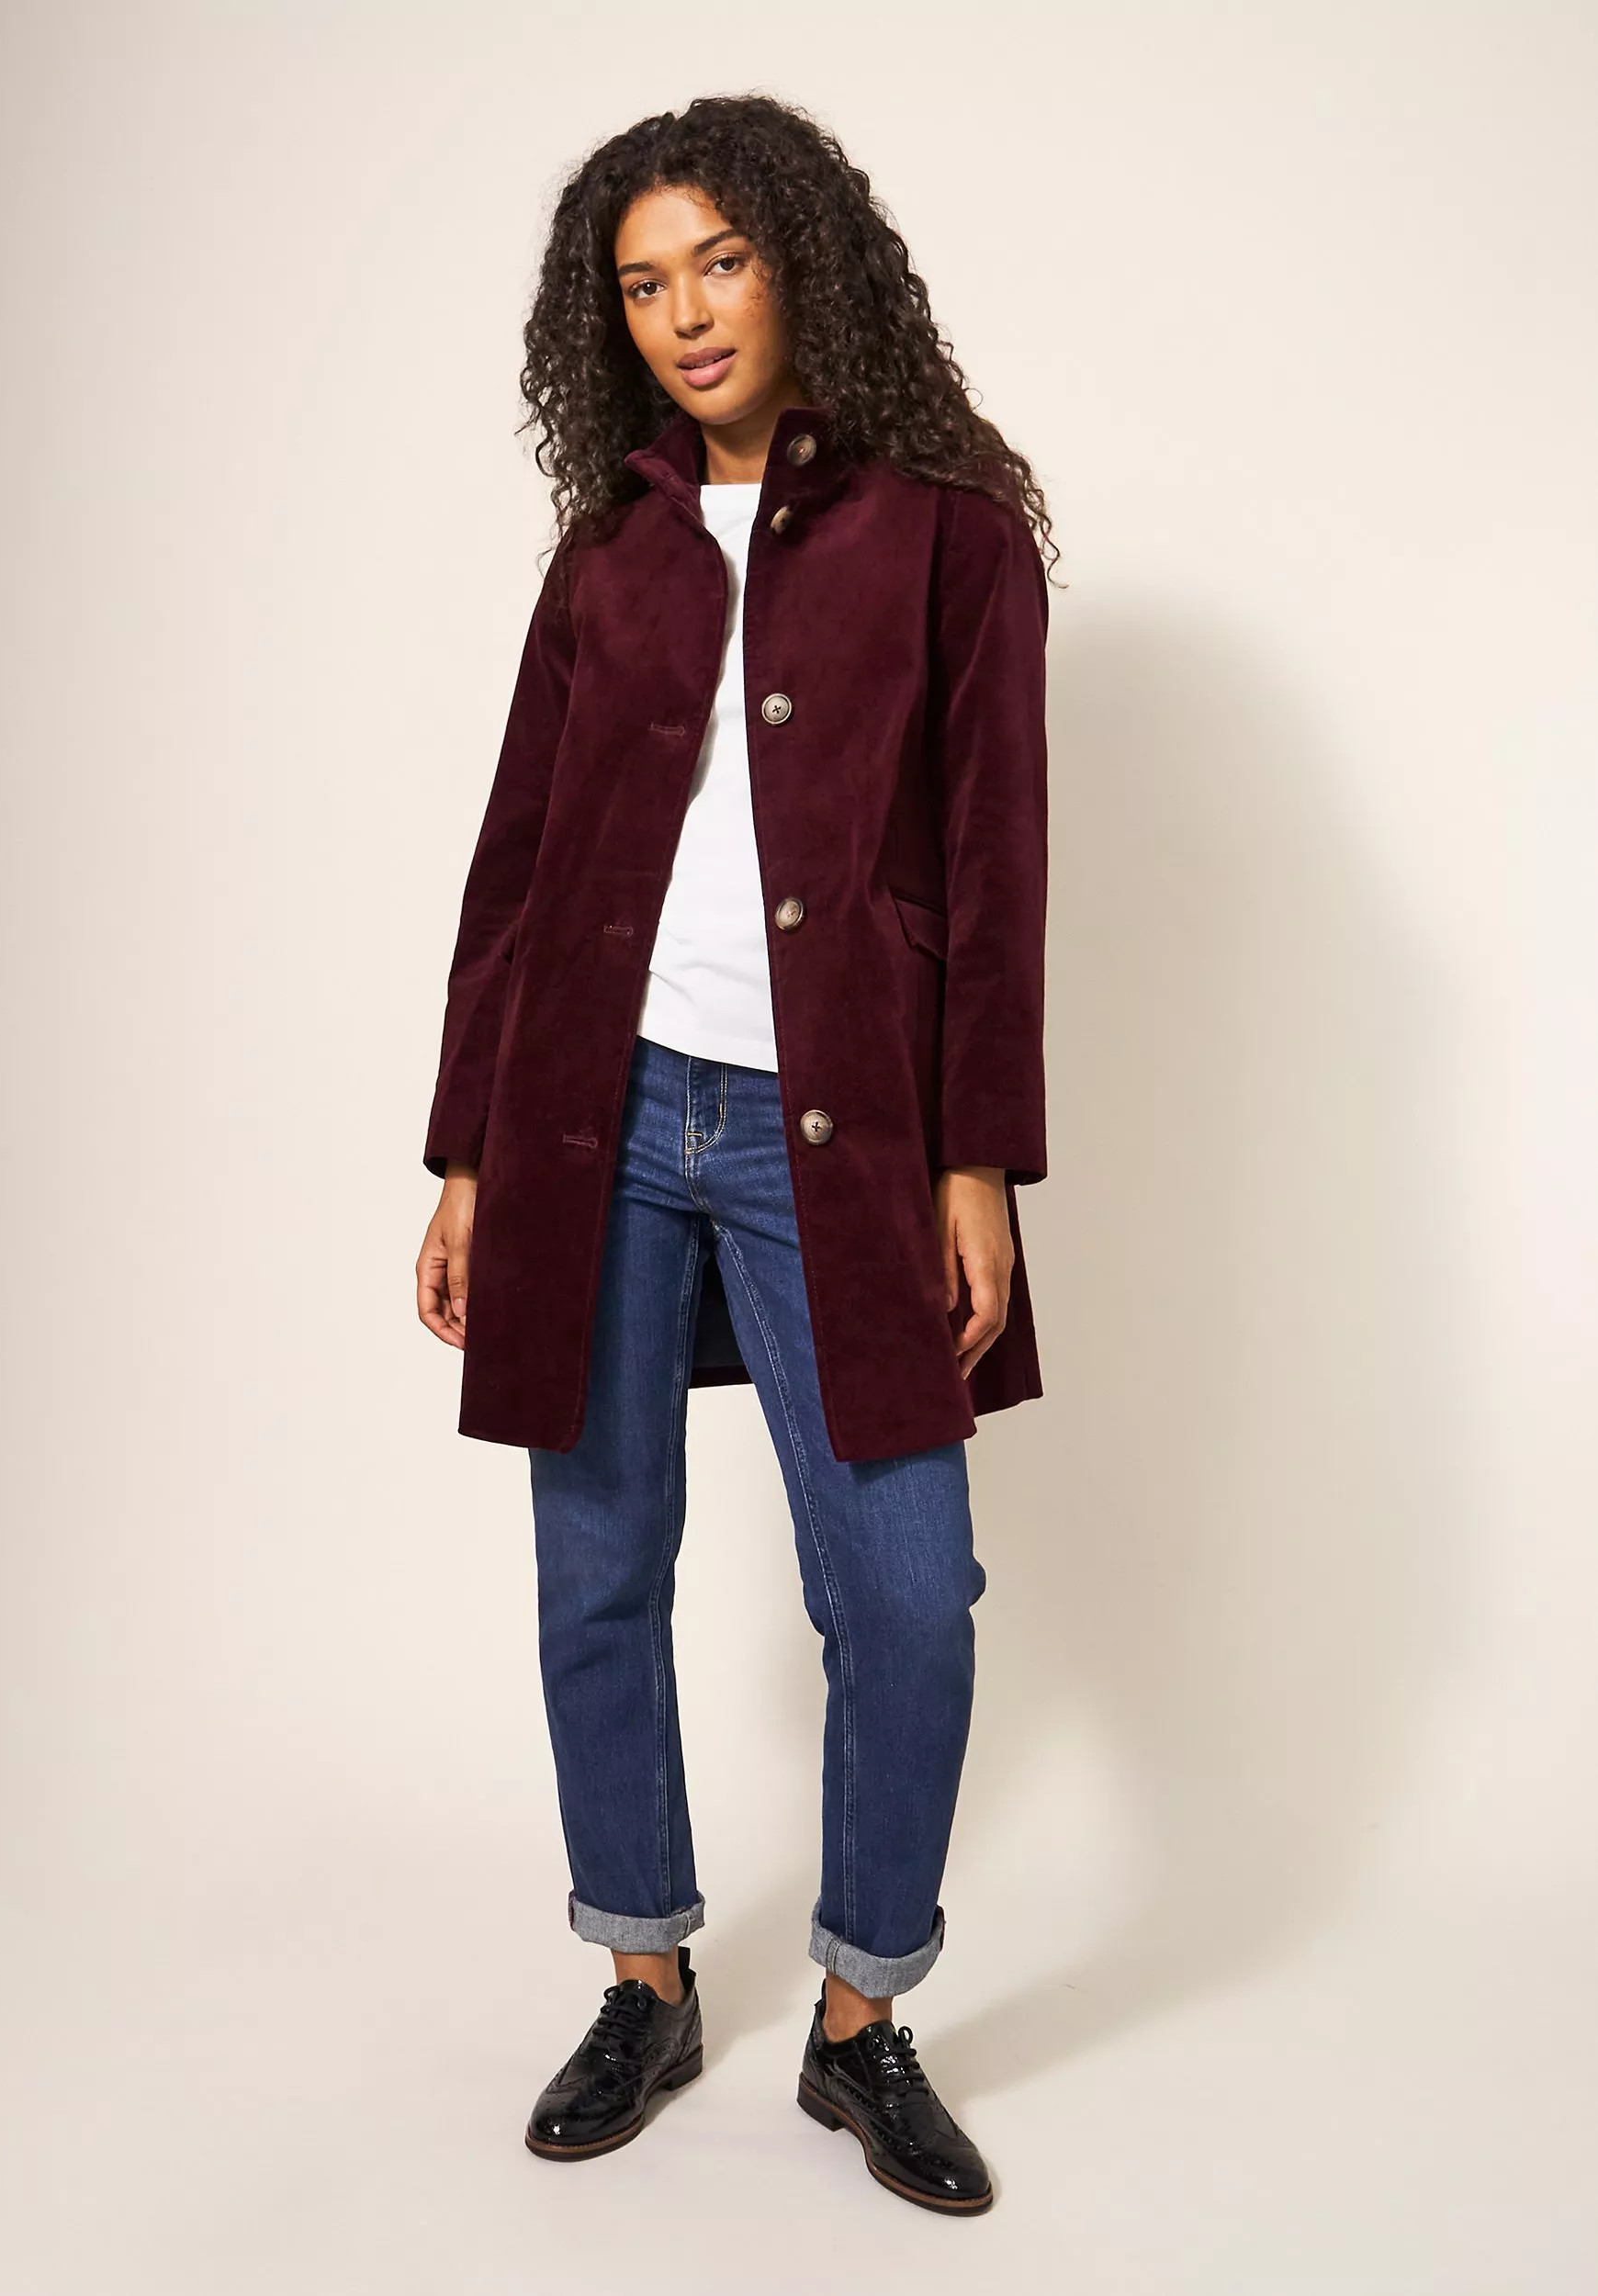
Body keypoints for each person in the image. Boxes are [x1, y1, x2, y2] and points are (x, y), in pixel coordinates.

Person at [415, 93, 1054, 2216]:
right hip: (589, 1115)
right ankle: (643, 1974)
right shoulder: (602, 555)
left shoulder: (948, 534)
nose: (685, 313)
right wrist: (466, 1154)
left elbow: (996, 865)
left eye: (719, 261)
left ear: (800, 264)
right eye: (641, 284)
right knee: (596, 1562)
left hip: (835, 1131)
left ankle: (860, 2020)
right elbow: (516, 866)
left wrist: (976, 1160)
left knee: (907, 1587)